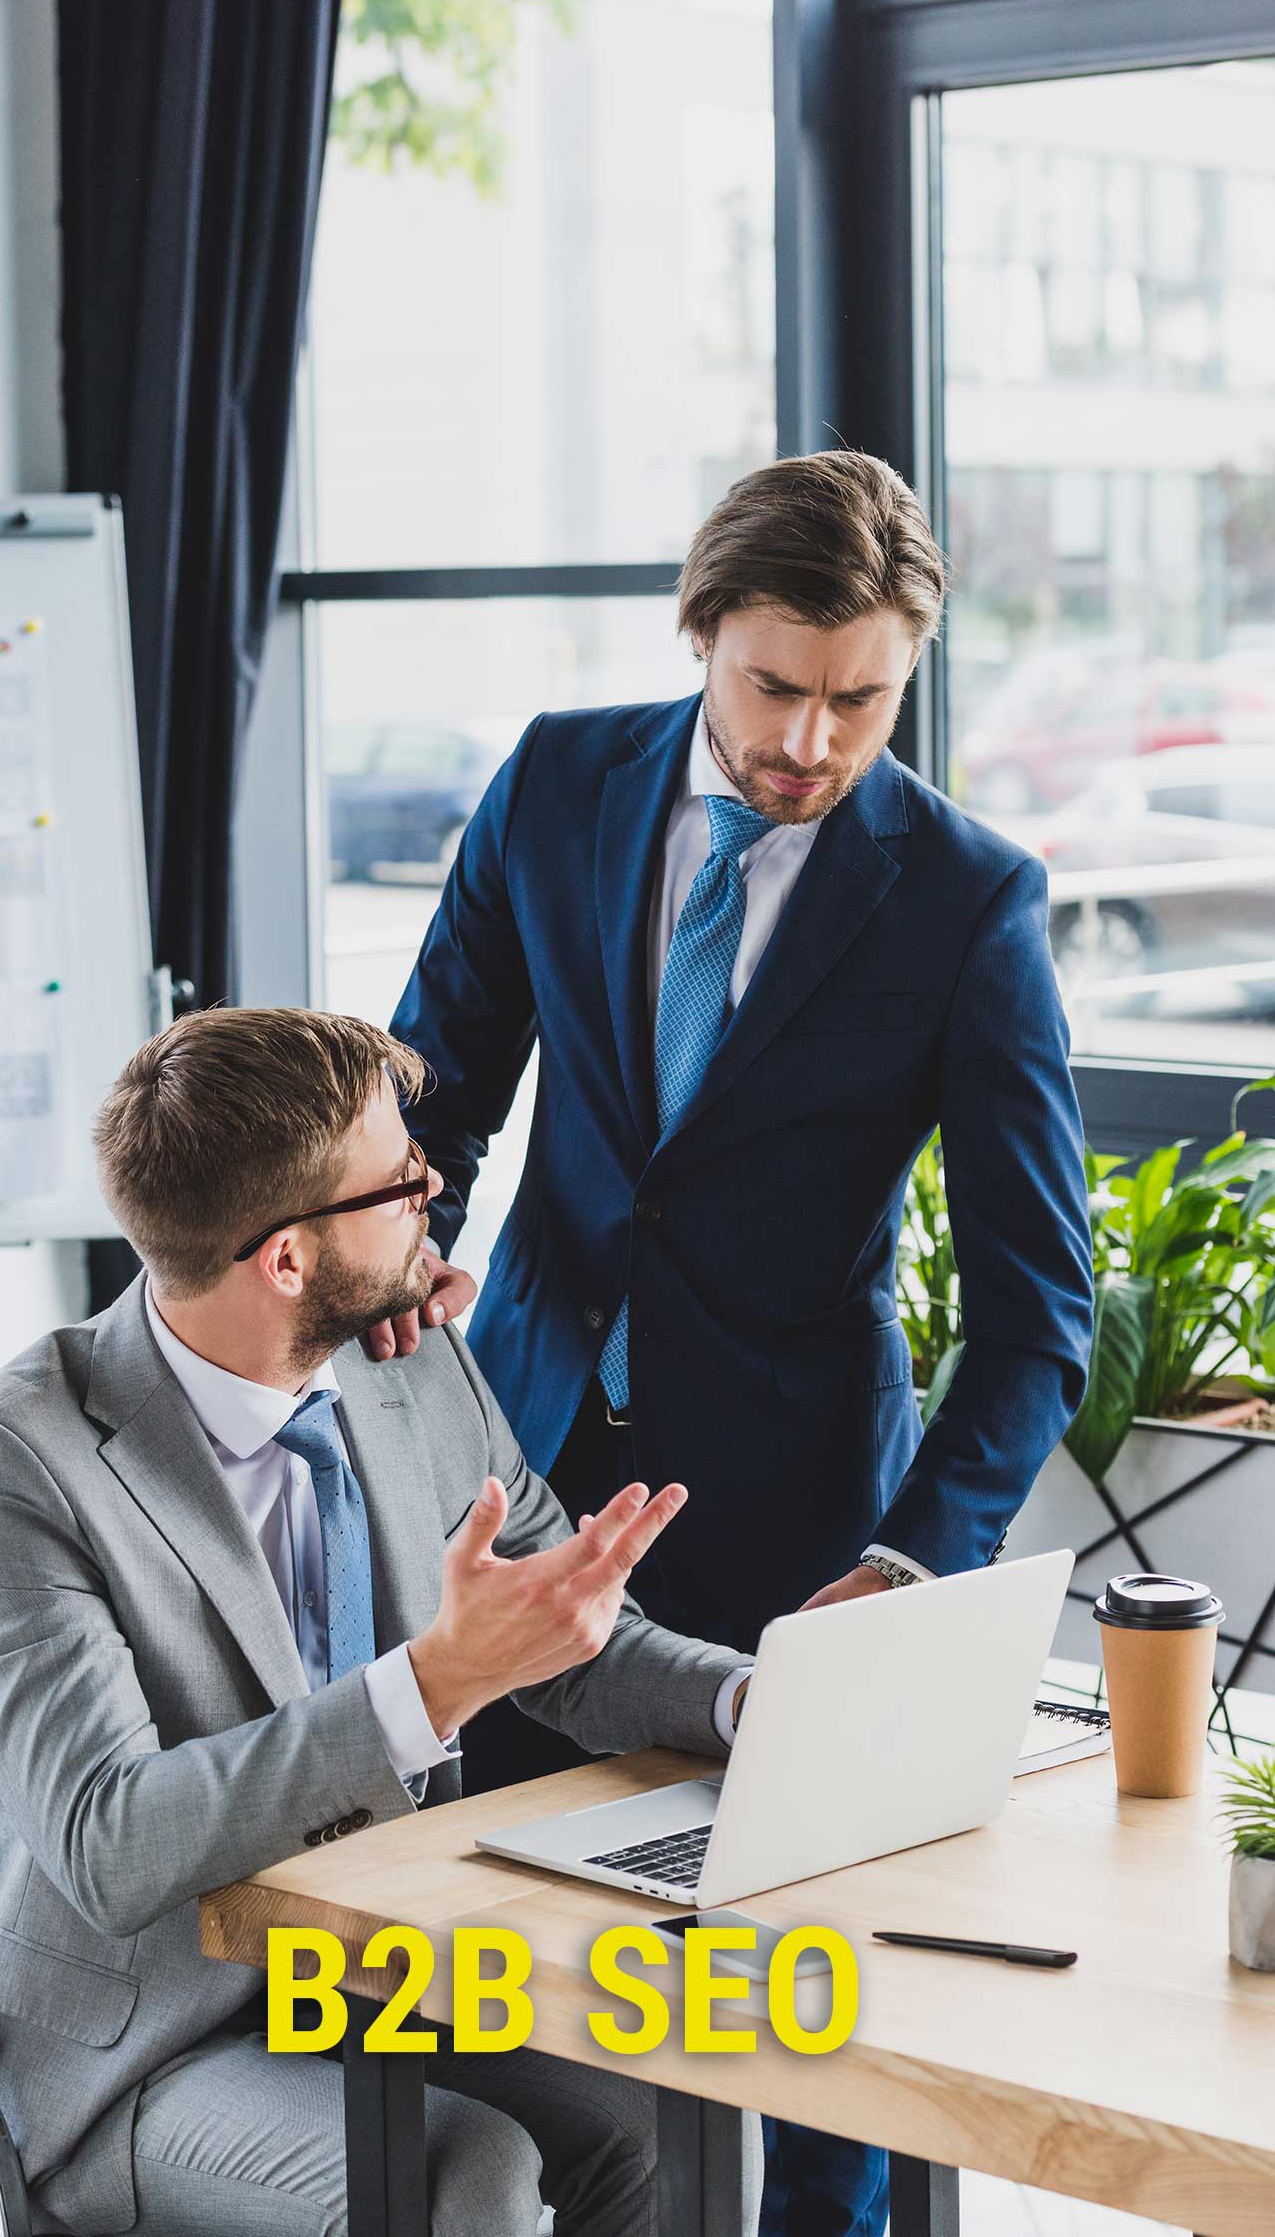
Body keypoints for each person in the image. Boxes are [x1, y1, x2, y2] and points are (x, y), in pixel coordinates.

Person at [382, 450, 1096, 2237]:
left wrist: (907, 1563)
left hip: (806, 1532)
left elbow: (1038, 1313)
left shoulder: (967, 897)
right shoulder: (557, 782)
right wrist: (394, 1252)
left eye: (864, 700)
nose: (812, 741)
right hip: (527, 1493)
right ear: (701, 632)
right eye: (778, 685)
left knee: (812, 2038)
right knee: (506, 1983)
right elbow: (431, 1094)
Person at [0, 1007, 763, 2237]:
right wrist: (429, 1688)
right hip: (135, 2049)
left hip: (386, 1971)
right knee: (461, 2171)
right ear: (288, 1259)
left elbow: (555, 1626)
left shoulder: (406, 1363)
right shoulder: (9, 1464)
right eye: (400, 1182)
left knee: (686, 2085)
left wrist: (754, 1703)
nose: (434, 1193)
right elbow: (108, 1842)